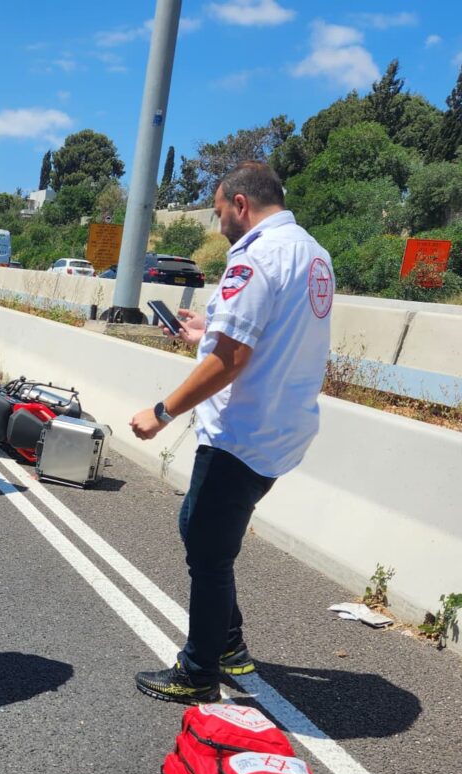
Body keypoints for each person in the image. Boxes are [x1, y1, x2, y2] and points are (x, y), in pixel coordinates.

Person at [129, 161, 334, 705]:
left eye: (220, 212)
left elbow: (233, 358)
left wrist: (162, 411)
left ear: (240, 204)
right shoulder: (313, 253)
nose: (219, 225)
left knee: (205, 542)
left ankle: (199, 671)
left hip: (242, 429)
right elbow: (265, 331)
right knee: (209, 535)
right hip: (283, 426)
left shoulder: (256, 256)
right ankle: (228, 644)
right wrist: (204, 329)